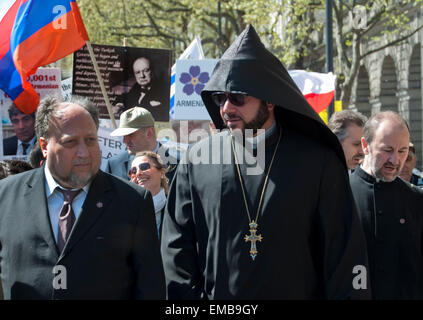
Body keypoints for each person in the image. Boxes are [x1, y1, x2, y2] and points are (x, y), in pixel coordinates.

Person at [161, 25, 370, 300]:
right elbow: (176, 249)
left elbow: (344, 253)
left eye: (237, 97)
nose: (225, 108)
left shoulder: (317, 162)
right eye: (219, 98)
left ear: (270, 100)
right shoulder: (196, 161)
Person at [0, 95, 165, 299]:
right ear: (44, 146)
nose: (83, 152)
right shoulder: (6, 196)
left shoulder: (132, 202)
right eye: (70, 142)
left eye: (90, 140)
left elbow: (150, 287)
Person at [350, 111, 423, 299]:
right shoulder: (338, 196)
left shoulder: (416, 200)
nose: (395, 160)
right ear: (365, 145)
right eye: (387, 150)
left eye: (402, 151)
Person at [106, 106, 178, 182]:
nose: (124, 140)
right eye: (124, 135)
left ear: (149, 133)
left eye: (130, 134)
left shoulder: (177, 163)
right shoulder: (115, 164)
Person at [129, 151, 169, 239]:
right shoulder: (124, 211)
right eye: (133, 171)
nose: (138, 173)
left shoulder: (175, 208)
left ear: (162, 172)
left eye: (144, 167)